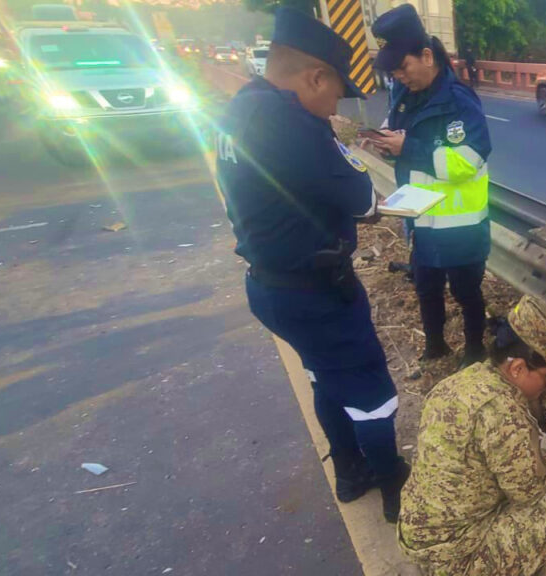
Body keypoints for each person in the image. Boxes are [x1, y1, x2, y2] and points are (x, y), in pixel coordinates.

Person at [215, 7, 408, 523]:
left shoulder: (241, 106)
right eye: (335, 94)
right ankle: (394, 490)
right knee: (371, 390)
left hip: (268, 287)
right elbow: (364, 199)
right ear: (313, 76)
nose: (334, 107)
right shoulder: (297, 125)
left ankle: (350, 473)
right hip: (317, 292)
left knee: (324, 374)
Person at [398, 295, 546, 576]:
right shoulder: (504, 412)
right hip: (462, 558)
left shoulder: (460, 382)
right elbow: (530, 494)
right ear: (518, 368)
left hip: (423, 540)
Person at [368, 4, 493, 369]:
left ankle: (474, 351)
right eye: (394, 72)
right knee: (426, 289)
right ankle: (435, 347)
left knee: (466, 292)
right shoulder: (405, 97)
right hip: (421, 219)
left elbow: (469, 160)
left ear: (426, 55)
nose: (400, 77)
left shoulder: (459, 100)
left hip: (460, 225)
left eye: (403, 68)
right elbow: (404, 146)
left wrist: (409, 148)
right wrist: (386, 144)